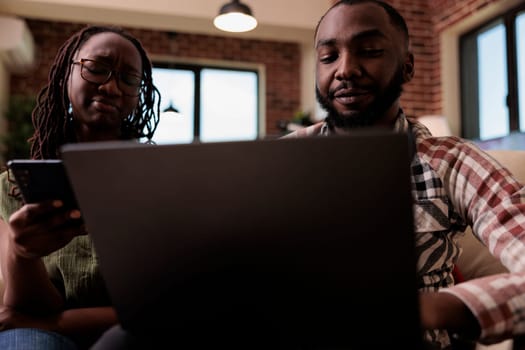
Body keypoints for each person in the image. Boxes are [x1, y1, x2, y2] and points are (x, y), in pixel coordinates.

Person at [282, 0, 525, 349]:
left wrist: (432, 309)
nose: (346, 69)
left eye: (369, 50)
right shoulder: (285, 159)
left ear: (407, 67)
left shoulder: (452, 162)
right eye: (328, 57)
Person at [0, 24, 161, 349]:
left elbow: (163, 308)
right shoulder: (14, 185)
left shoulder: (158, 179)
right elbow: (17, 310)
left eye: (129, 79)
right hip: (42, 334)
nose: (112, 87)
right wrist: (23, 253)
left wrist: (41, 322)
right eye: (97, 69)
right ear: (65, 76)